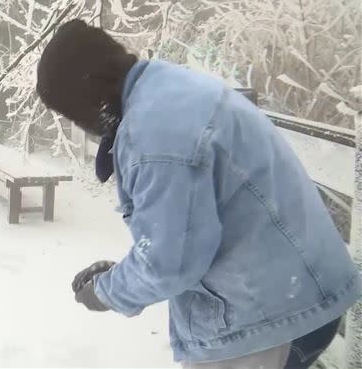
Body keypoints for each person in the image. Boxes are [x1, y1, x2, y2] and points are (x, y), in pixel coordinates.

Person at [36, 19, 360, 368]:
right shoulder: (165, 89)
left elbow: (166, 265)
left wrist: (103, 292)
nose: (82, 126)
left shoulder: (154, 136)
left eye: (75, 114)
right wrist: (122, 273)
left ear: (89, 97)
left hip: (269, 314)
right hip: (291, 290)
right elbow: (182, 235)